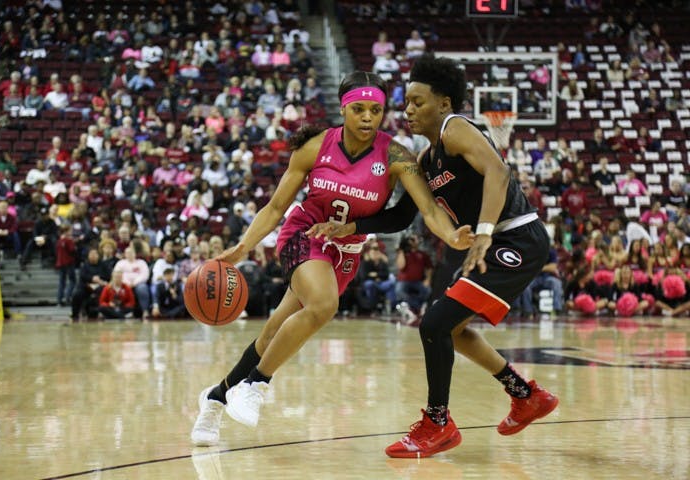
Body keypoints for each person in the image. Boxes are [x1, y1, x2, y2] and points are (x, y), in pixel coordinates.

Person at [190, 71, 473, 446]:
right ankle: (256, 384)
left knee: (276, 330)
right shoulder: (314, 147)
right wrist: (243, 248)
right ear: (343, 108)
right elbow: (275, 207)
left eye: (376, 110)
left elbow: (428, 209)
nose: (368, 117)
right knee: (324, 305)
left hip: (346, 252)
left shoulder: (396, 155)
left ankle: (216, 398)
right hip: (304, 234)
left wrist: (451, 235)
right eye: (359, 109)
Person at [308, 54, 559, 458]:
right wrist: (350, 226)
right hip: (493, 242)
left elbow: (498, 172)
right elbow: (401, 216)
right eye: (406, 102)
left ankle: (438, 423)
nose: (408, 109)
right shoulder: (426, 160)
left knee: (435, 324)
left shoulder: (454, 127)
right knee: (449, 328)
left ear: (443, 104)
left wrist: (483, 232)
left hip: (516, 237)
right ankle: (526, 396)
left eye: (417, 101)